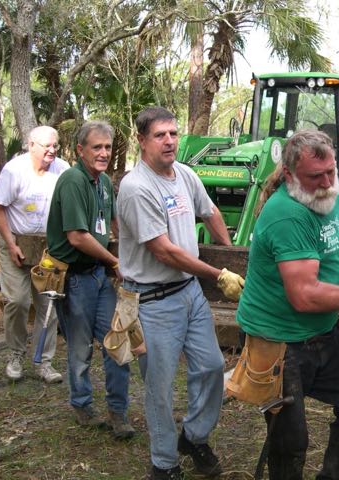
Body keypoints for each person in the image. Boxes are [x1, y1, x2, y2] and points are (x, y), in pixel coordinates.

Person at [235, 129, 339, 480]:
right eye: (316, 176)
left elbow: (337, 222)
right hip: (279, 342)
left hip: (322, 333)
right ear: (289, 175)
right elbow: (304, 295)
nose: (327, 182)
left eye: (332, 172)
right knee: (290, 440)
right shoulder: (287, 214)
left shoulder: (330, 196)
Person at [117, 107, 244, 480]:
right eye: (160, 135)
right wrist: (218, 274)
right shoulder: (136, 187)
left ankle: (193, 435)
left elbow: (211, 212)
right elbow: (165, 251)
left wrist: (235, 256)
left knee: (210, 367)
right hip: (152, 301)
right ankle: (164, 464)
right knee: (159, 387)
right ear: (142, 140)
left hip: (189, 293)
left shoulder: (185, 175)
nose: (170, 140)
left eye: (173, 133)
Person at [47, 120, 134, 439]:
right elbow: (77, 237)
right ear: (79, 150)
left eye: (108, 147)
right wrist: (115, 261)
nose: (104, 153)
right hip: (74, 278)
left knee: (117, 339)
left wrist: (127, 250)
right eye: (96, 147)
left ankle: (118, 411)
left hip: (98, 275)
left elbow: (114, 223)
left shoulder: (105, 182)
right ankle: (82, 404)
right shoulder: (72, 180)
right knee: (80, 347)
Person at [0, 126, 69, 383]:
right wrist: (11, 244)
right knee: (17, 300)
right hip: (15, 241)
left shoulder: (63, 169)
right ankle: (15, 354)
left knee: (48, 303)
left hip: (49, 247)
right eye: (46, 145)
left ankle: (43, 362)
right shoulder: (14, 171)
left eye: (55, 145)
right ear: (31, 145)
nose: (52, 150)